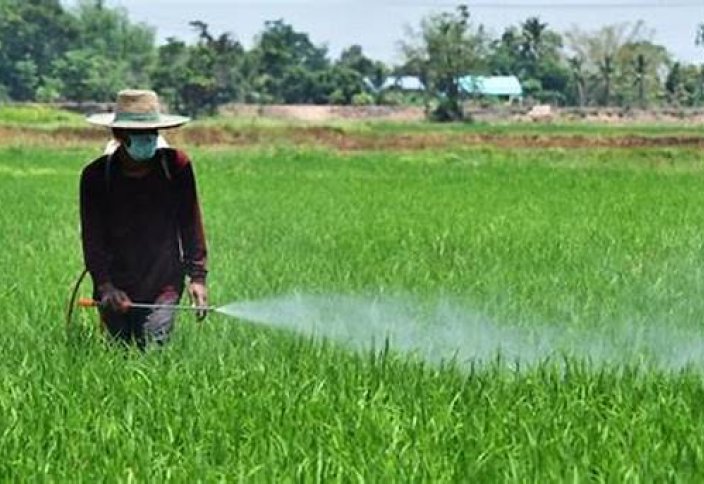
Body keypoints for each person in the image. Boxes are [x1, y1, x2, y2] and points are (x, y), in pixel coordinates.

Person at [80, 89, 208, 348]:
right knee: (119, 351)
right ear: (119, 135)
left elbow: (190, 223)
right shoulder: (95, 177)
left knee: (153, 347)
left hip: (163, 283)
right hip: (116, 284)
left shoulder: (176, 167)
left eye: (152, 133)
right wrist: (104, 285)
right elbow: (92, 237)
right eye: (138, 134)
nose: (147, 140)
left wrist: (197, 278)